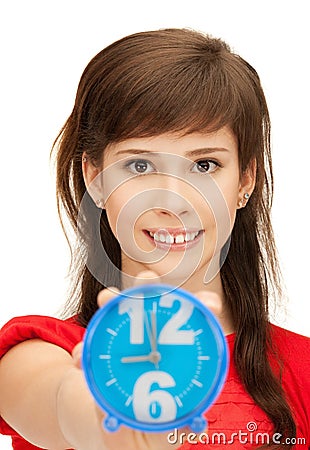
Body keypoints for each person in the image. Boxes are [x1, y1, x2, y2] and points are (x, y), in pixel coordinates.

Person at [0, 28, 309, 450]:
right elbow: (58, 403)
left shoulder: (302, 370)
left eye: (204, 165)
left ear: (246, 179)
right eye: (140, 166)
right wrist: (104, 420)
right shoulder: (43, 354)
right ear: (95, 177)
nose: (173, 201)